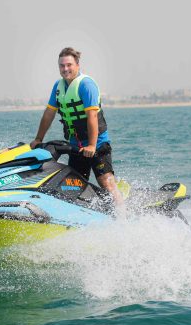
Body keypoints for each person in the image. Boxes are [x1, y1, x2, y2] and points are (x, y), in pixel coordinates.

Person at [30, 47, 124, 215]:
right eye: (62, 66)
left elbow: (92, 116)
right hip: (76, 146)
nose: (65, 69)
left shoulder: (86, 85)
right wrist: (38, 139)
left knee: (106, 182)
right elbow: (49, 113)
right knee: (73, 185)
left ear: (77, 65)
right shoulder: (58, 86)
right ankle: (81, 216)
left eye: (69, 65)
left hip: (97, 143)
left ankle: (123, 216)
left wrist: (92, 145)